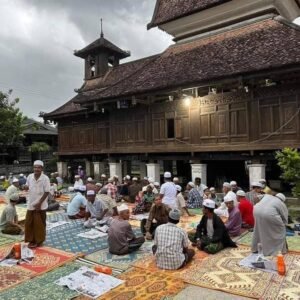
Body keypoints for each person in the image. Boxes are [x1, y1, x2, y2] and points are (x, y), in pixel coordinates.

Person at [24, 160, 50, 248]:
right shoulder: (29, 177)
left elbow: (47, 192)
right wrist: (25, 187)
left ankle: (40, 240)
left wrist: (39, 203)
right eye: (35, 167)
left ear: (42, 168)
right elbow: (27, 186)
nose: (36, 169)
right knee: (29, 223)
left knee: (40, 224)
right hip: (31, 203)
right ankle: (31, 240)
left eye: (38, 167)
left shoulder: (45, 178)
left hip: (41, 205)